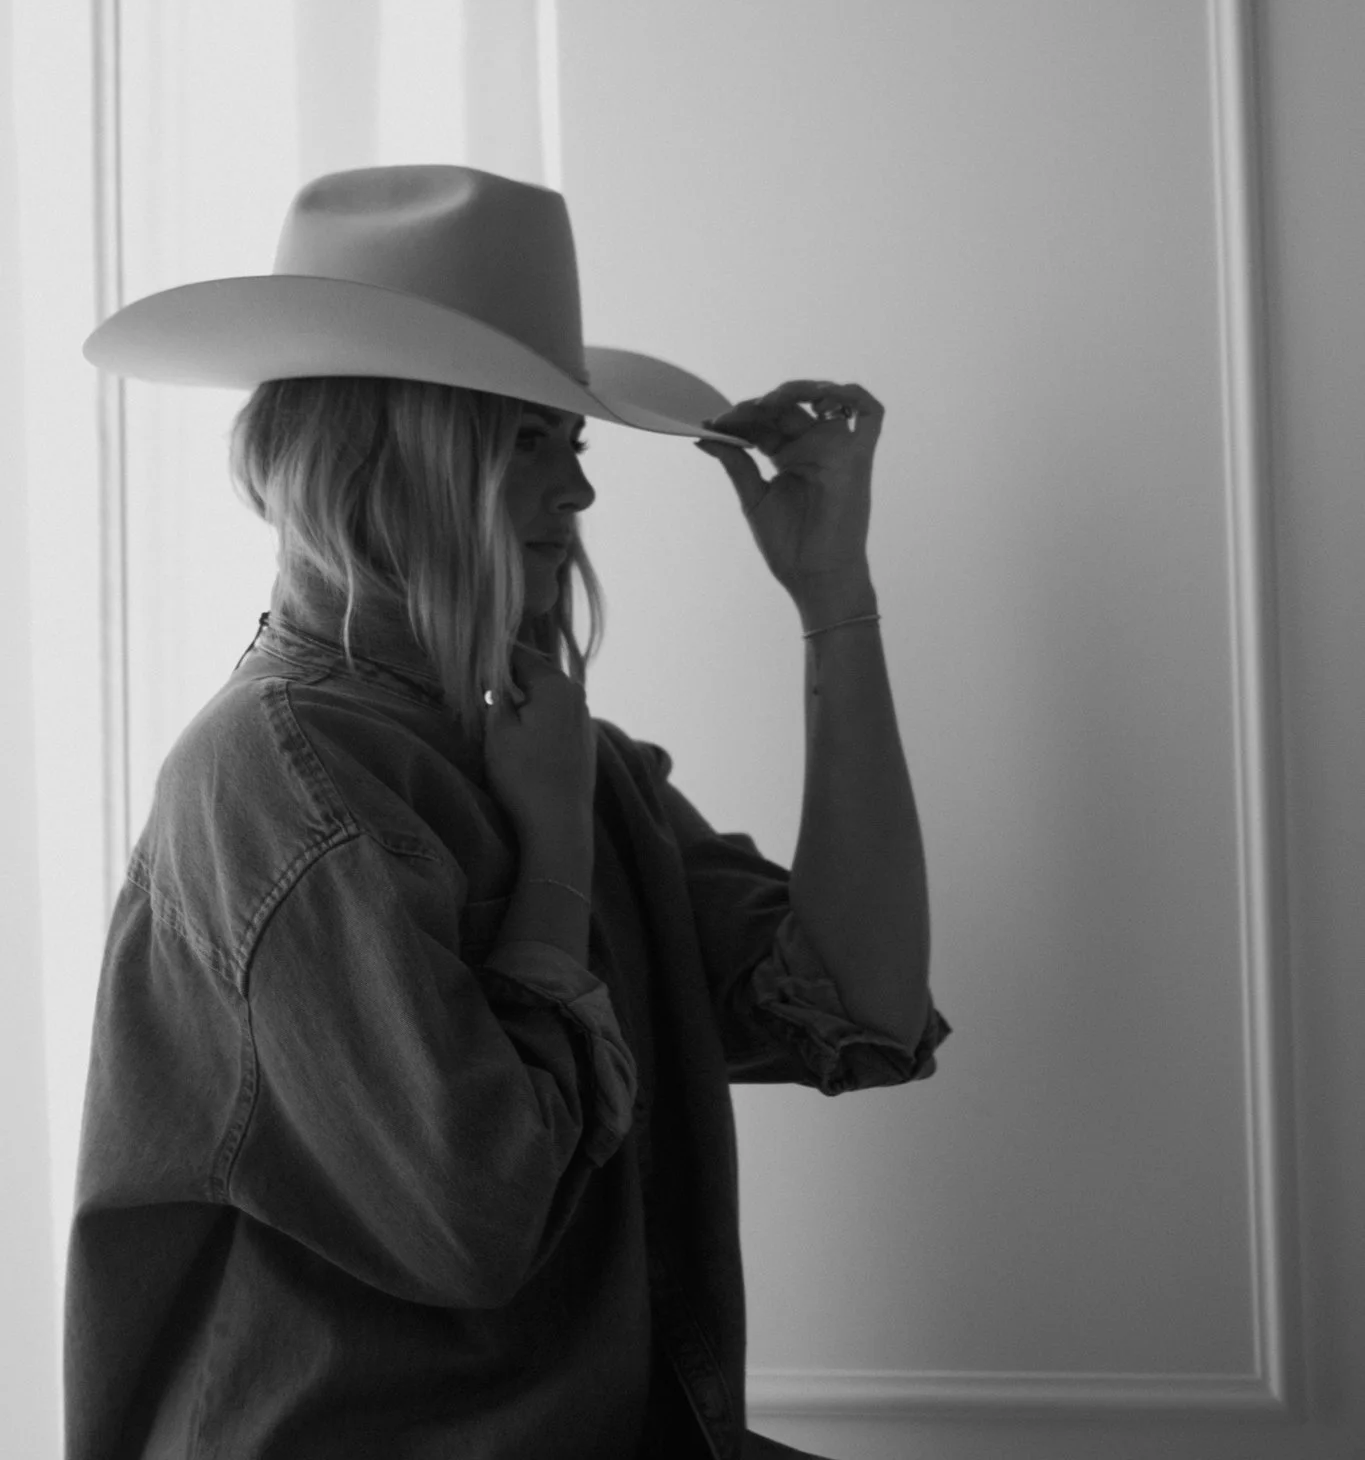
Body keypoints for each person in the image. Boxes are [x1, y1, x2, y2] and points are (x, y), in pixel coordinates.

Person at [66, 164, 950, 1459]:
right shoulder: (273, 785)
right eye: (528, 440)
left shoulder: (542, 750)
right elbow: (477, 1216)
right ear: (396, 448)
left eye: (572, 441)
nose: (581, 496)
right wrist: (552, 867)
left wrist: (834, 599)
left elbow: (858, 1004)